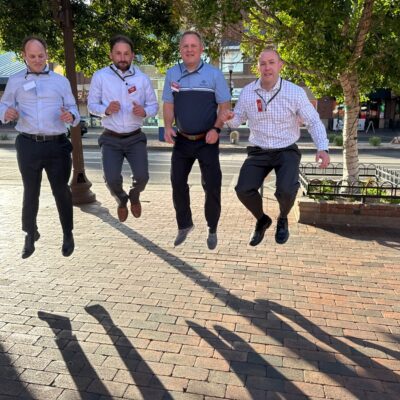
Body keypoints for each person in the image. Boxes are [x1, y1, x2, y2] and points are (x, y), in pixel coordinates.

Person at [219, 48, 330, 246]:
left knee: (286, 191)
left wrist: (322, 147)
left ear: (280, 65)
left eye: (271, 62)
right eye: (263, 63)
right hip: (258, 149)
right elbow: (238, 120)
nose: (267, 67)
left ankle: (282, 218)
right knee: (243, 189)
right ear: (258, 67)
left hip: (285, 149)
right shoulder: (248, 92)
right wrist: (229, 118)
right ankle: (262, 220)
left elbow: (313, 121)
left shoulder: (294, 92)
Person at [0, 36, 79, 259]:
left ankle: (68, 234)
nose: (37, 60)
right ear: (24, 56)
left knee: (61, 191)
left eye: (40, 55)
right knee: (30, 191)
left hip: (57, 145)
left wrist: (70, 115)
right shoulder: (15, 81)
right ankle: (30, 233)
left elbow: (74, 111)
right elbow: (3, 105)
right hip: (27, 144)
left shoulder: (60, 81)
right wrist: (6, 113)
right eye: (32, 56)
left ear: (47, 55)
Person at [162, 31, 230, 249]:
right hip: (182, 139)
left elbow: (225, 106)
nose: (189, 50)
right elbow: (169, 104)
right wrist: (167, 126)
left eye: (193, 46)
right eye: (185, 46)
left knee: (211, 185)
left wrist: (216, 129)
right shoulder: (172, 74)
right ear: (180, 50)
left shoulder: (214, 75)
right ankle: (184, 224)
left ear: (202, 49)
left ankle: (212, 227)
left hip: (207, 139)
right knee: (177, 182)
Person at [88, 35, 158, 222]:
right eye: (118, 53)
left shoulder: (142, 79)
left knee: (142, 177)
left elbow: (153, 106)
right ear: (111, 55)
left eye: (126, 53)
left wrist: (144, 111)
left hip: (135, 137)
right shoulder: (100, 76)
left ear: (132, 55)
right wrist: (106, 110)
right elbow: (91, 105)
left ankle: (134, 196)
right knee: (111, 180)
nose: (122, 57)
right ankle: (121, 199)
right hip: (110, 138)